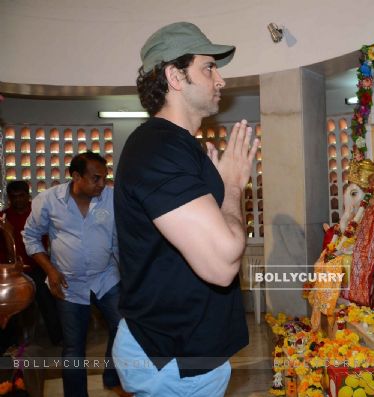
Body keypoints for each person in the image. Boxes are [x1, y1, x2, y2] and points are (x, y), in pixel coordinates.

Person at [112, 22, 258, 396]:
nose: (220, 79)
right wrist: (234, 187)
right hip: (171, 359)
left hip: (182, 356)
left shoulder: (180, 146)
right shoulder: (158, 150)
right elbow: (222, 263)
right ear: (175, 76)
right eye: (208, 67)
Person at [22, 151, 128, 397]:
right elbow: (31, 237)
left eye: (104, 178)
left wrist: (130, 276)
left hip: (106, 278)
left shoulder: (110, 198)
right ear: (76, 176)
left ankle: (112, 376)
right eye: (96, 178)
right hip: (68, 283)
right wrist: (51, 270)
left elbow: (117, 241)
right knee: (73, 347)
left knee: (123, 328)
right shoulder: (48, 200)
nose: (102, 184)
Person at [0, 180, 62, 346]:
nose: (18, 200)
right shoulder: (3, 217)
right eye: (14, 197)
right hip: (13, 271)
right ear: (9, 198)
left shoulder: (38, 213)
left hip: (37, 266)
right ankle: (9, 343)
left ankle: (58, 339)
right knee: (8, 304)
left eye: (21, 196)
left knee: (48, 300)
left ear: (28, 196)